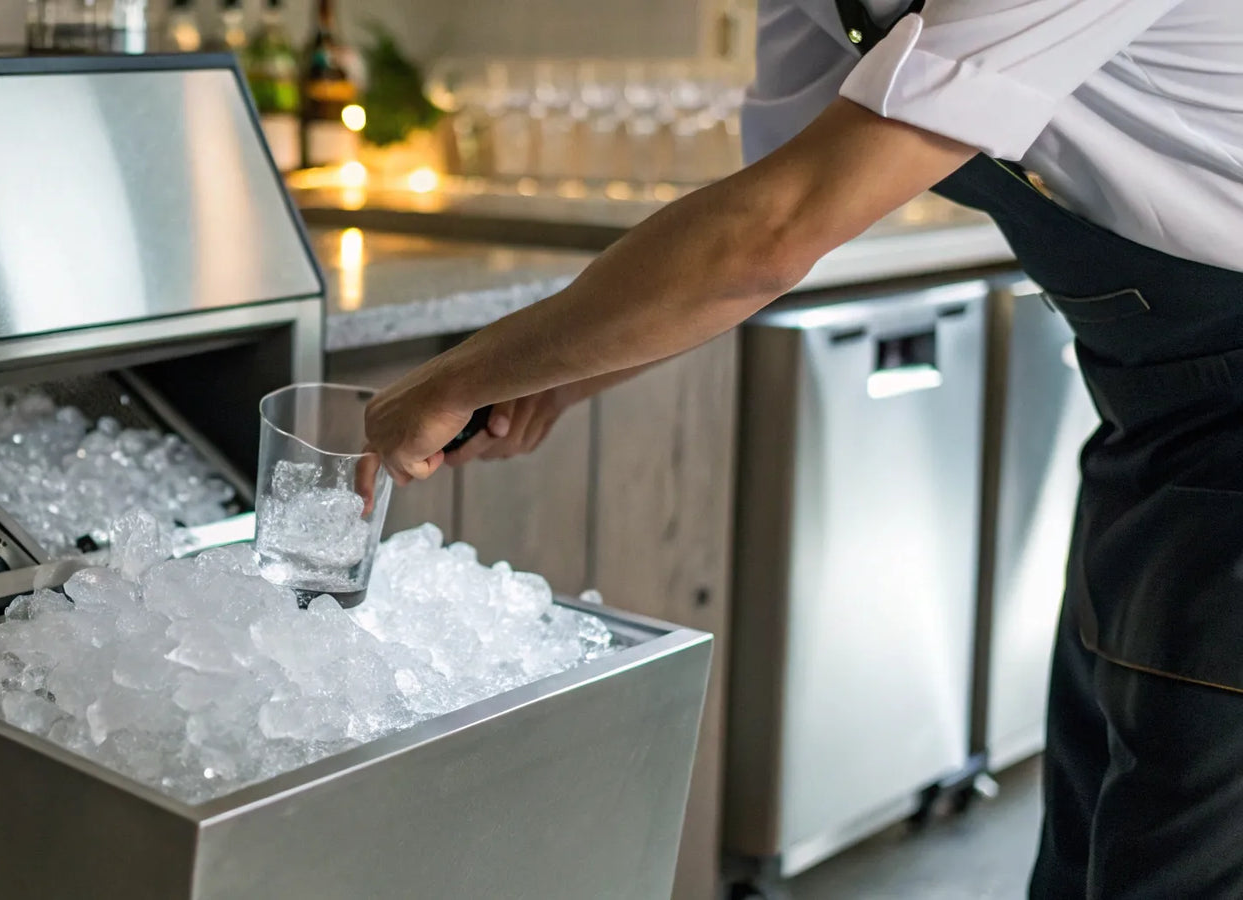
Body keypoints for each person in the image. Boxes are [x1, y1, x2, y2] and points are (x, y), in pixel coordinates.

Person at [362, 0, 1243, 895]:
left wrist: (458, 377)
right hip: (1155, 418)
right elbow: (757, 214)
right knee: (1090, 844)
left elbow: (772, 233)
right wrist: (558, 371)